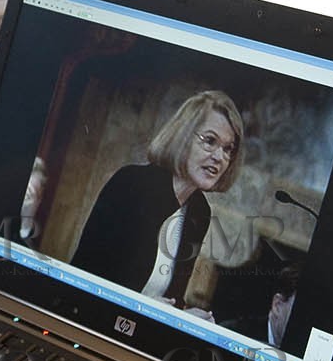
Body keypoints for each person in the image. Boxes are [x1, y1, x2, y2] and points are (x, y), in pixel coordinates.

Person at [69, 90, 245, 309]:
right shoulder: (131, 184)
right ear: (183, 137)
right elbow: (82, 278)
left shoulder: (199, 211)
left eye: (228, 149)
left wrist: (185, 316)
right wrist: (142, 306)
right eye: (210, 141)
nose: (220, 157)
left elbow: (172, 297)